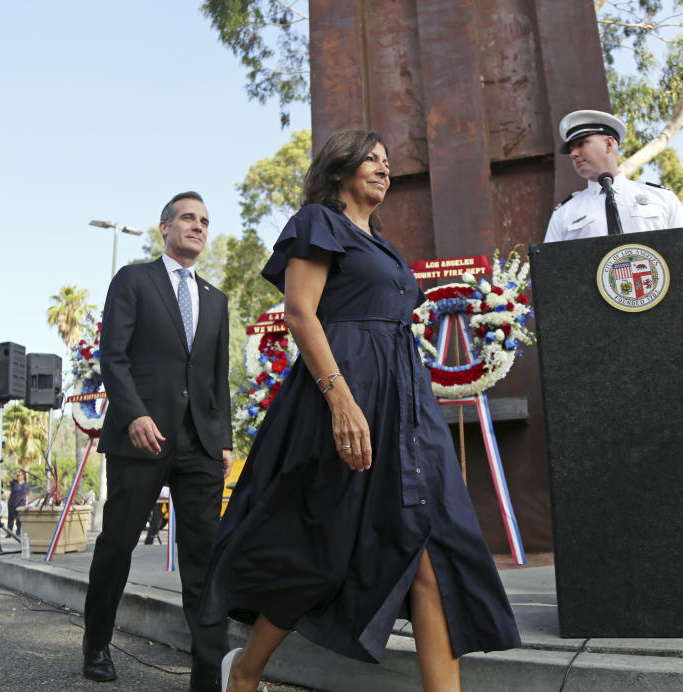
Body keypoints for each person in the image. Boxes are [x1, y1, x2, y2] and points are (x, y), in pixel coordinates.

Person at [198, 130, 521, 692]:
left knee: (435, 552)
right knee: (320, 546)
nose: (383, 169)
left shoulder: (386, 246)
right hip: (343, 395)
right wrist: (341, 400)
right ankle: (244, 672)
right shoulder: (319, 223)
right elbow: (300, 312)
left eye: (387, 162)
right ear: (339, 170)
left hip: (405, 405)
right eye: (370, 160)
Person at [81, 191, 233, 690]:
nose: (198, 227)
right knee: (118, 544)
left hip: (201, 445)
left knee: (203, 558)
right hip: (140, 438)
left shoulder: (216, 299)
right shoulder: (133, 280)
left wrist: (225, 439)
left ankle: (206, 670)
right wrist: (133, 416)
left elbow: (216, 376)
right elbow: (113, 357)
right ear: (164, 227)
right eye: (188, 218)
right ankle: (97, 642)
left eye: (205, 222)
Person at [543, 109, 683, 242]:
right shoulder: (564, 213)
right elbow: (549, 269)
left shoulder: (661, 198)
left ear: (609, 144)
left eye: (581, 143)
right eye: (571, 149)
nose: (573, 154)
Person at [7, 469, 30, 535]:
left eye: (19, 475)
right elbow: (7, 483)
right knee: (11, 518)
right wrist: (11, 476)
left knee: (19, 519)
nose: (18, 476)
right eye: (17, 475)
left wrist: (24, 498)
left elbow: (29, 492)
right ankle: (9, 532)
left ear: (23, 476)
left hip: (21, 503)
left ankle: (18, 532)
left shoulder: (26, 484)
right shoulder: (14, 482)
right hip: (12, 503)